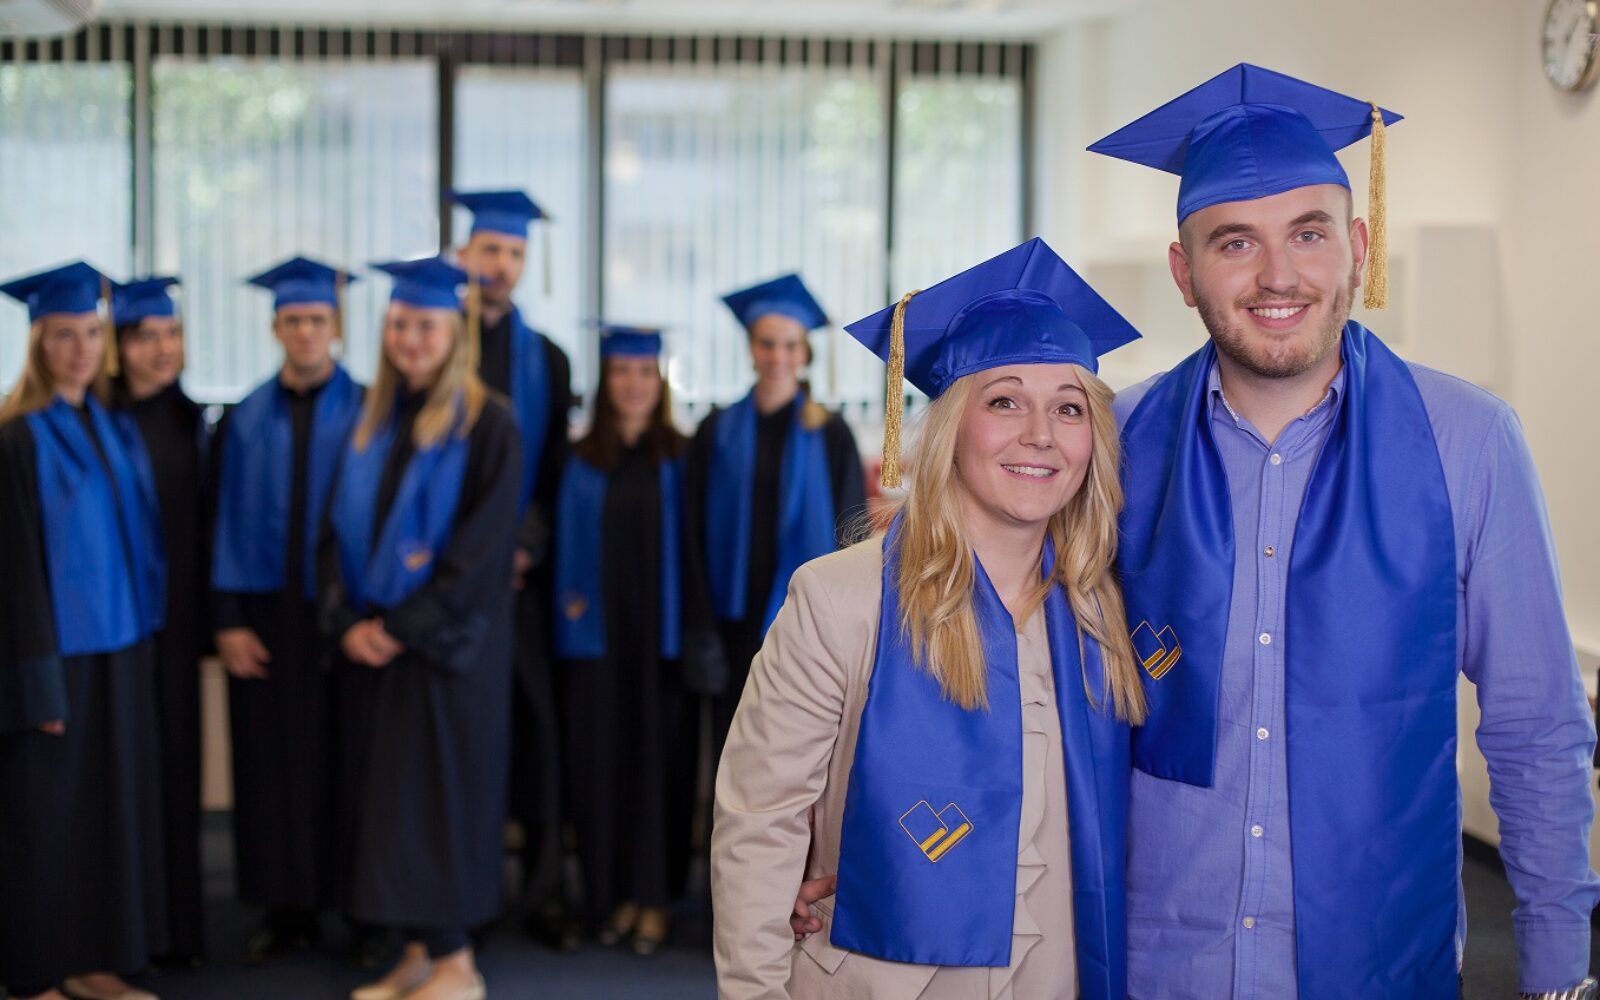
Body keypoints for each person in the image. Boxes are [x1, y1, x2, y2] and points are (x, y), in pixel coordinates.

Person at [1087, 64, 1600, 999]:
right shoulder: (1114, 442)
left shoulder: (1468, 442)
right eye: (1234, 242)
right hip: (1156, 964)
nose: (1278, 276)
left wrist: (1558, 971)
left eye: (1309, 233)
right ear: (1184, 272)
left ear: (1359, 247)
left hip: (1382, 962)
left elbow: (1536, 727)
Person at [713, 237, 1146, 1000]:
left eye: (1069, 408)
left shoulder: (1105, 613)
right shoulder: (841, 599)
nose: (1040, 434)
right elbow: (759, 823)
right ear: (950, 427)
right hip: (879, 978)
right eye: (1004, 401)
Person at [324, 256, 519, 1000]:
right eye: (400, 323)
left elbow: (480, 552)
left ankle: (456, 963)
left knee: (441, 802)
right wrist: (347, 622)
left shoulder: (489, 423)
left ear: (454, 333)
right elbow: (334, 533)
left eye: (427, 325)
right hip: (380, 644)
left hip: (447, 651)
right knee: (392, 809)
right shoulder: (373, 418)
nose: (411, 338)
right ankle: (414, 952)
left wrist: (401, 627)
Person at [0, 261, 167, 1000]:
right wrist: (36, 681)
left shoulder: (109, 427)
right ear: (38, 342)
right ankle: (35, 975)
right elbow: (15, 572)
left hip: (119, 644)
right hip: (54, 655)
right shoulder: (18, 438)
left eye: (91, 334)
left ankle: (95, 960)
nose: (80, 349)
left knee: (108, 811)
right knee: (46, 817)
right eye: (63, 335)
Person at [212, 256, 366, 963]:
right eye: (294, 320)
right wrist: (228, 620)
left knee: (347, 762)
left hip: (343, 616)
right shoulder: (242, 418)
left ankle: (361, 910)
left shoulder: (370, 410)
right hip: (268, 616)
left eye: (317, 319)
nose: (306, 331)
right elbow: (217, 521)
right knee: (271, 765)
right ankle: (285, 910)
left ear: (337, 327)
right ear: (275, 327)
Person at [552, 325, 706, 954]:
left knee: (661, 768)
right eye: (621, 371)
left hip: (662, 644)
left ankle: (655, 901)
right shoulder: (579, 458)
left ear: (659, 382)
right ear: (605, 381)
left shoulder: (684, 457)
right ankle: (609, 896)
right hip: (597, 643)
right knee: (600, 766)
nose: (633, 384)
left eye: (644, 372)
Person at [449, 188, 575, 928]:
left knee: (534, 727)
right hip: (444, 576)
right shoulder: (435, 344)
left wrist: (524, 546)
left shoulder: (548, 361)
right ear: (464, 254)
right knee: (456, 731)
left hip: (522, 579)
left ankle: (541, 893)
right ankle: (458, 894)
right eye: (491, 249)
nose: (502, 264)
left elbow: (556, 468)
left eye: (515, 253)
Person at [688, 273, 866, 766]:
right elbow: (693, 532)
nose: (778, 356)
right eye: (767, 343)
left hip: (803, 616)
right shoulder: (715, 430)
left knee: (797, 747)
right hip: (733, 615)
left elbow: (851, 534)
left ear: (805, 352)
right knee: (731, 744)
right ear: (751, 348)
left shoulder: (830, 434)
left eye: (790, 345)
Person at [110, 275, 209, 967]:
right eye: (146, 337)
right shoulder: (97, 420)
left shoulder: (191, 419)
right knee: (122, 776)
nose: (162, 349)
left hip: (176, 624)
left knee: (177, 772)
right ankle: (122, 931)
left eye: (171, 334)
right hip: (117, 624)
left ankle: (178, 930)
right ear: (119, 347)